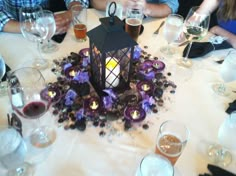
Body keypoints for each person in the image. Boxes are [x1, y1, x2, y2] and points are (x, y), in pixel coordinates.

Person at [0, 0, 89, 34]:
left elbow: (80, 1)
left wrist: (68, 15)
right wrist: (34, 27)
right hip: (14, 33)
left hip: (49, 31)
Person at [90, 0, 179, 18]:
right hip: (111, 23)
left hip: (145, 27)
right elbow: (95, 2)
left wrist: (145, 7)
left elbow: (170, 6)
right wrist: (119, 3)